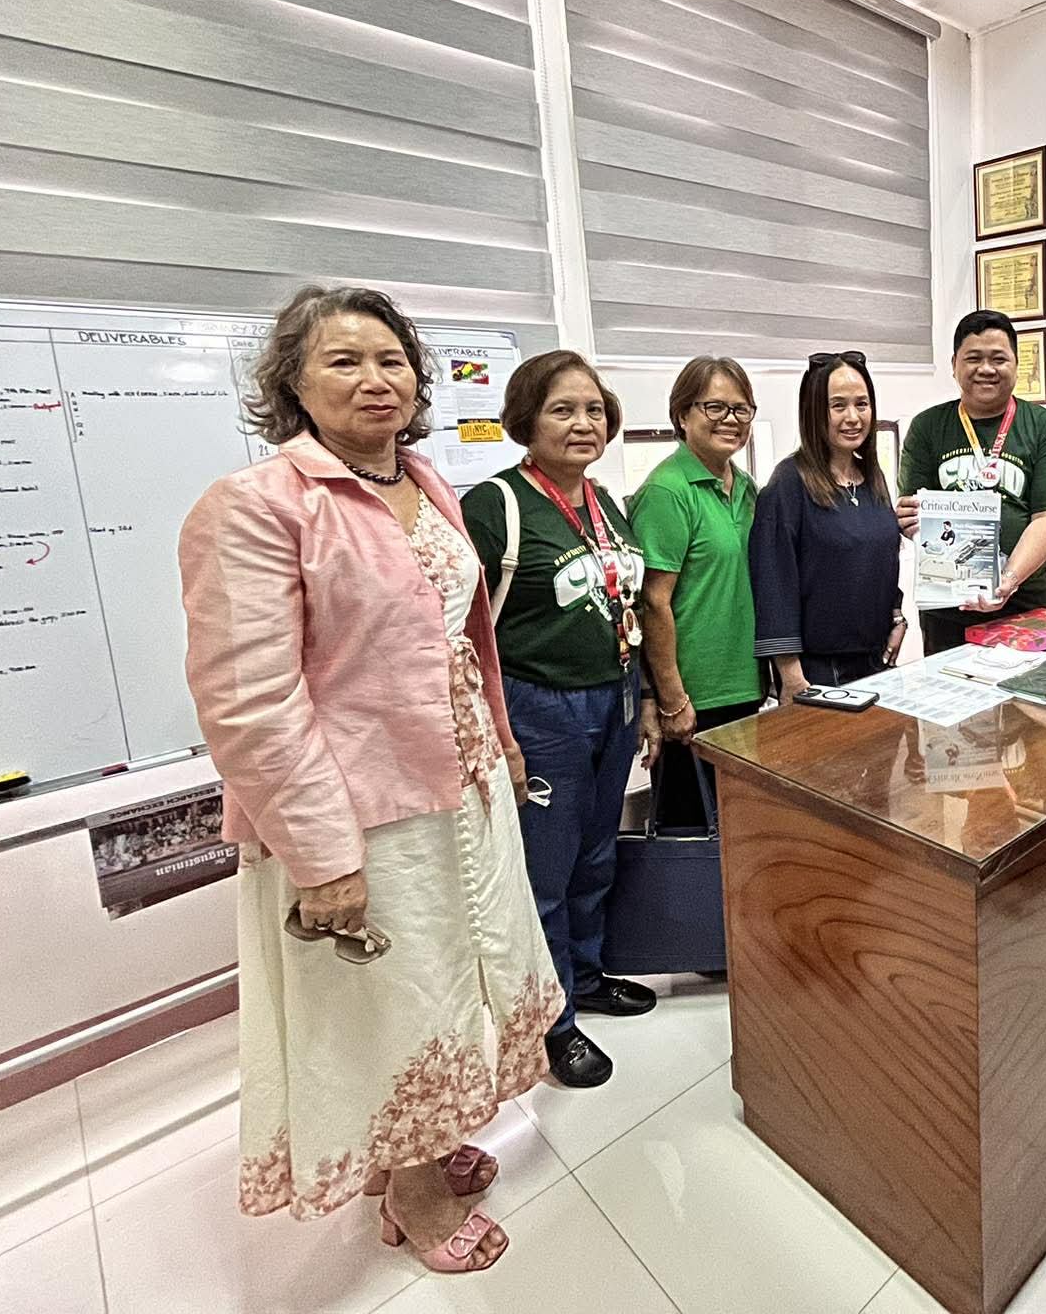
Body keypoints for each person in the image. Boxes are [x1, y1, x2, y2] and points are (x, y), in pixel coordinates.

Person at [179, 285, 561, 1275]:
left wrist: (504, 745)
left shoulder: (426, 483)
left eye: (391, 359)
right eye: (343, 361)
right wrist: (322, 858)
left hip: (462, 788)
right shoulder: (258, 505)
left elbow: (465, 639)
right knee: (392, 998)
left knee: (453, 979)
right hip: (360, 814)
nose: (375, 378)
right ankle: (416, 1192)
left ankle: (417, 1146)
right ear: (293, 384)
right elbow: (249, 702)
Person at [461, 352, 660, 1094]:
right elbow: (462, 630)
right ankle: (553, 1022)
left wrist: (645, 698)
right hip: (540, 707)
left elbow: (626, 605)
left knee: (596, 854)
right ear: (526, 419)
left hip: (614, 694)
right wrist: (498, 734)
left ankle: (587, 972)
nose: (583, 423)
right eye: (562, 409)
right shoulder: (496, 506)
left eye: (594, 410)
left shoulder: (605, 502)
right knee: (546, 871)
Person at [897, 310, 1046, 654]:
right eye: (973, 358)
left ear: (1016, 364)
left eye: (998, 359)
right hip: (947, 606)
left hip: (1025, 603)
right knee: (949, 687)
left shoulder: (1045, 427)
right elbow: (914, 514)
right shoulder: (926, 427)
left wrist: (1008, 580)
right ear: (954, 364)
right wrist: (908, 520)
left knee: (1029, 690)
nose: (986, 369)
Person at [631, 356, 762, 830]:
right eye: (715, 407)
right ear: (682, 414)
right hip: (693, 698)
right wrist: (670, 698)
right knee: (693, 837)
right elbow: (652, 602)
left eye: (741, 409)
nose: (730, 419)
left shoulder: (745, 487)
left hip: (744, 687)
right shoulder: (667, 491)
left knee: (740, 831)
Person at [751, 351, 906, 696]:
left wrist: (897, 615)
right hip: (818, 670)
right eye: (838, 406)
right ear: (814, 412)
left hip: (876, 660)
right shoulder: (788, 483)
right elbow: (773, 585)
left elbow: (882, 560)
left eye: (862, 404)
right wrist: (791, 676)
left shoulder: (872, 478)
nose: (853, 417)